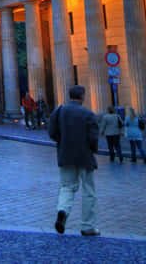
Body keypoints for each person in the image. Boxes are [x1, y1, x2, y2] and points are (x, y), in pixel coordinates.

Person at [49, 85, 100, 236]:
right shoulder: (88, 114)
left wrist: (63, 143)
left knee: (67, 186)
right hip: (85, 156)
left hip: (65, 155)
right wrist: (91, 149)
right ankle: (87, 226)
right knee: (88, 190)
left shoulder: (58, 111)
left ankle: (62, 211)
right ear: (82, 96)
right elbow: (93, 138)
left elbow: (52, 133)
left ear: (69, 96)